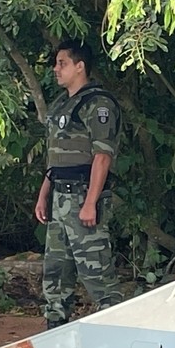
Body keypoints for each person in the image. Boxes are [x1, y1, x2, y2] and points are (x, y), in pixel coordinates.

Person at [34, 39, 123, 328]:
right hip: (60, 198)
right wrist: (43, 195)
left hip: (83, 196)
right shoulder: (63, 105)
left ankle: (117, 334)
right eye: (56, 63)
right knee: (56, 273)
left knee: (97, 273)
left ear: (80, 66)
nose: (56, 69)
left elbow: (102, 158)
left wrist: (90, 204)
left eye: (62, 63)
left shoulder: (98, 104)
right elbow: (56, 158)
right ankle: (55, 332)